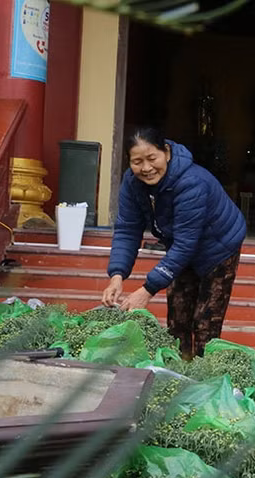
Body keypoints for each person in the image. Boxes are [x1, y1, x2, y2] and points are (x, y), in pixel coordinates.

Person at [102, 127, 247, 359]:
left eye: (152, 158)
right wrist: (116, 276)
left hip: (218, 247)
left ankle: (203, 380)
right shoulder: (131, 183)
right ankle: (177, 374)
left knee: (205, 324)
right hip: (180, 246)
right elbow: (127, 229)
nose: (146, 168)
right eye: (137, 161)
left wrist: (146, 290)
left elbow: (186, 244)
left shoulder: (191, 182)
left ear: (166, 152)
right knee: (177, 321)